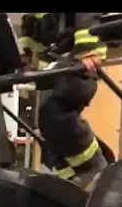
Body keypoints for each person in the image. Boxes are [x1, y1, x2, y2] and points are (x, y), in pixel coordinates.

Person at [25, 13, 109, 186]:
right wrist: (24, 55)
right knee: (46, 125)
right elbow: (30, 28)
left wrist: (88, 48)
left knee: (56, 114)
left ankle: (94, 170)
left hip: (78, 59)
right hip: (51, 64)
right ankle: (69, 180)